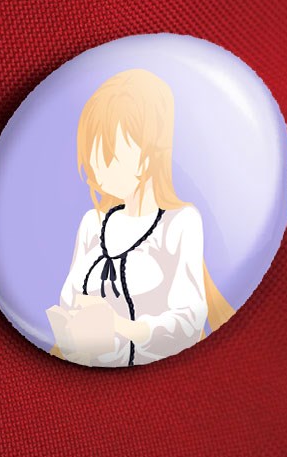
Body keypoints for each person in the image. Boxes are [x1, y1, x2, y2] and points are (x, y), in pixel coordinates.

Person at [46, 68, 235, 367]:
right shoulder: (93, 224)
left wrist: (123, 327)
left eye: (109, 157)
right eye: (93, 158)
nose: (97, 172)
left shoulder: (179, 223)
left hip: (161, 375)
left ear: (149, 155)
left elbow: (189, 320)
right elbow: (68, 302)